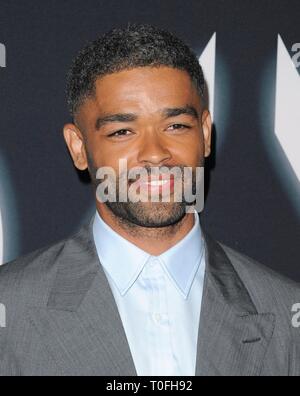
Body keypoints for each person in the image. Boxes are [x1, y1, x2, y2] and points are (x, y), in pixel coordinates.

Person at [0, 24, 299, 376]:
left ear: (204, 134)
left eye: (176, 126)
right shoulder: (11, 309)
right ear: (79, 148)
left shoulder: (285, 313)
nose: (155, 154)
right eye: (122, 131)